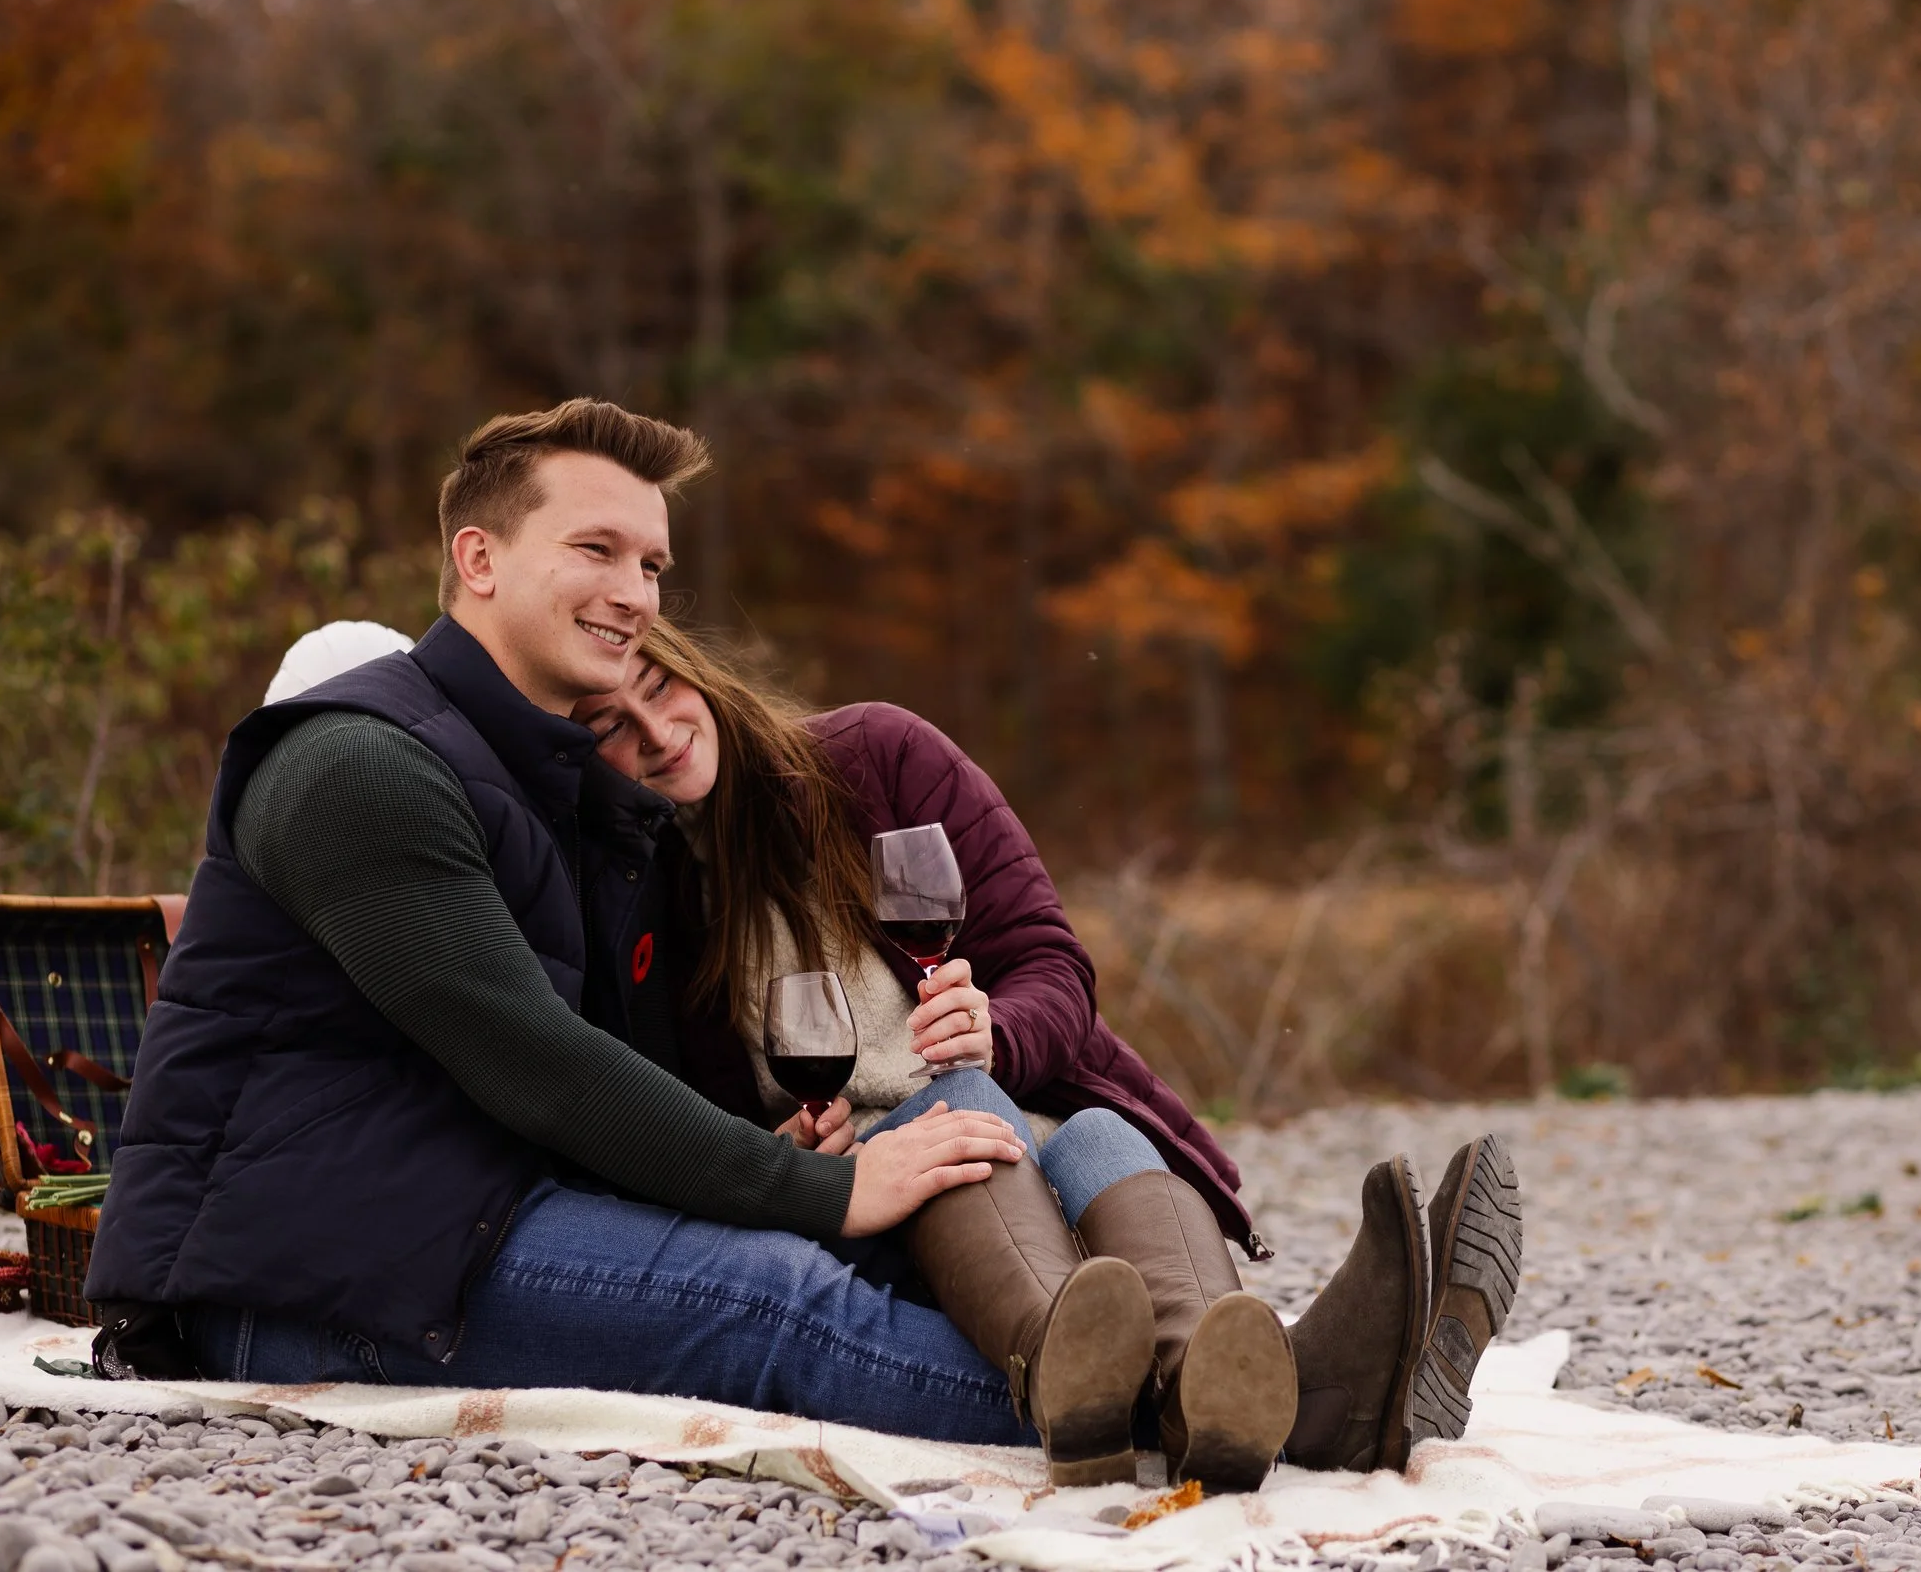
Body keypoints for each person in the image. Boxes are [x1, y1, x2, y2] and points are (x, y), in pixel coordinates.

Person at [86, 401, 1063, 1460]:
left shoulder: (556, 783)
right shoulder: (360, 764)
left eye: (651, 563)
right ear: (480, 560)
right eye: (595, 549)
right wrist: (820, 1186)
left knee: (914, 1204)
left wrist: (782, 1163)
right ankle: (1163, 1416)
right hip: (302, 1284)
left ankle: (1180, 1376)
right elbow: (540, 1062)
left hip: (476, 1213)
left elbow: (617, 1064)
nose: (635, 593)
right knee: (778, 1297)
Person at [567, 619, 1526, 1486]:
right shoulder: (653, 900)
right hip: (906, 1193)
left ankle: (1213, 1389)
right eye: (611, 724)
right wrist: (789, 1149)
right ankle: (1310, 1397)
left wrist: (1000, 1026)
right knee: (958, 1109)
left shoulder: (877, 756)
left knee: (1102, 1129)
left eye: (661, 688)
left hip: (1038, 1119)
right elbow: (696, 1119)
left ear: (700, 672)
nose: (655, 732)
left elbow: (1050, 960)